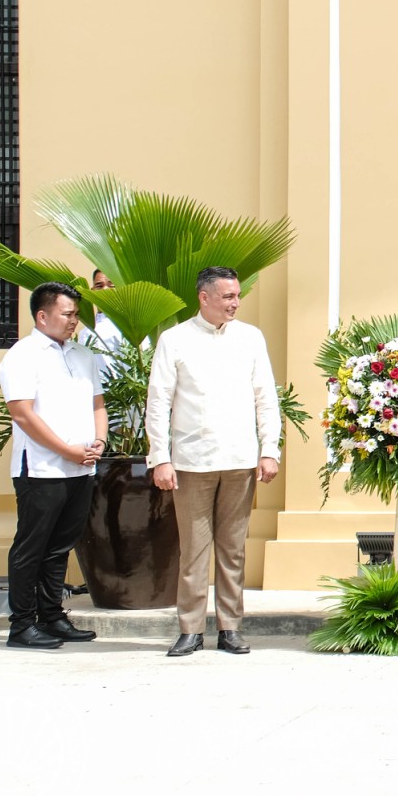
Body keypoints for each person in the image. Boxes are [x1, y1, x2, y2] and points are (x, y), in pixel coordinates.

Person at [147, 266, 282, 658]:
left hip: (240, 459)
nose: (235, 303)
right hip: (191, 461)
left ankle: (230, 627)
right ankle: (190, 629)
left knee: (233, 549)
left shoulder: (251, 338)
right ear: (203, 297)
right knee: (193, 550)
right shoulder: (174, 340)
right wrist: (160, 458)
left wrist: (269, 449)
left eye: (237, 295)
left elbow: (265, 398)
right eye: (227, 296)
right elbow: (158, 403)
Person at [0, 282, 106, 650]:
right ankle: (22, 624)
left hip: (81, 469)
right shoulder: (23, 355)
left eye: (76, 314)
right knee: (32, 547)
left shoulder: (82, 355)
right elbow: (23, 415)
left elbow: (98, 405)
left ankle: (52, 616)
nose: (74, 320)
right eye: (67, 314)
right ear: (42, 316)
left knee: (60, 546)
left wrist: (98, 444)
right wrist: (66, 450)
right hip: (41, 469)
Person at [85, 269, 125, 357]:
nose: (105, 289)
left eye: (112, 286)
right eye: (99, 286)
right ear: (92, 291)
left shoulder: (130, 327)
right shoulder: (86, 331)